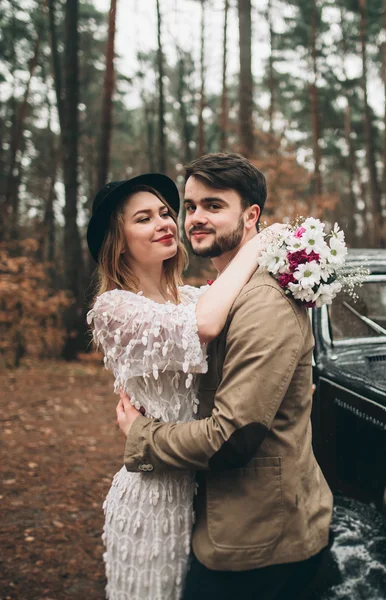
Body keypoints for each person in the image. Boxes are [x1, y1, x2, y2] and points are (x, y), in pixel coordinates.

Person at [117, 153, 334, 600]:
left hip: (258, 545)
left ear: (251, 215)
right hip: (217, 520)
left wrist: (142, 434)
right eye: (190, 206)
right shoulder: (217, 295)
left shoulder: (262, 301)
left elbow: (231, 437)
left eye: (213, 206)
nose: (194, 218)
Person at [86, 171, 277, 600]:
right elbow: (206, 327)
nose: (165, 223)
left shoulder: (190, 297)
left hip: (209, 490)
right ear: (119, 240)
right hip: (153, 494)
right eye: (143, 218)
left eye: (165, 213)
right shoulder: (114, 308)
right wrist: (260, 243)